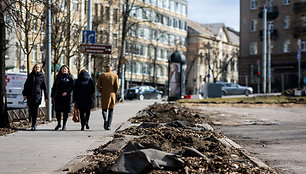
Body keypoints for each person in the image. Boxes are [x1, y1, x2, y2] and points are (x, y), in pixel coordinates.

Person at [22, 64, 47, 131]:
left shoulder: (42, 76)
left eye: (38, 67)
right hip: (30, 95)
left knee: (35, 109)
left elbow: (45, 88)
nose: (37, 68)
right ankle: (33, 122)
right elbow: (26, 85)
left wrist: (46, 97)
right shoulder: (30, 76)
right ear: (34, 68)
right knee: (31, 110)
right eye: (36, 67)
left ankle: (34, 124)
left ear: (40, 68)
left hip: (37, 96)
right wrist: (24, 94)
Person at [51, 65, 74, 130]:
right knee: (57, 110)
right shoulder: (58, 77)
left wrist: (67, 92)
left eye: (65, 69)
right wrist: (52, 95)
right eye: (63, 69)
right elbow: (54, 86)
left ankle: (64, 125)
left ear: (67, 70)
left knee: (65, 111)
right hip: (58, 96)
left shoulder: (70, 77)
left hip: (66, 97)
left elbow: (72, 86)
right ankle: (59, 123)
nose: (64, 70)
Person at [97, 64, 119, 130]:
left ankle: (105, 119)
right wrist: (115, 92)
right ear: (111, 68)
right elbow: (117, 86)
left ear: (106, 68)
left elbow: (98, 86)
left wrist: (101, 91)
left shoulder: (102, 75)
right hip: (112, 94)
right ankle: (108, 125)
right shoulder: (115, 75)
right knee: (111, 110)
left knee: (104, 109)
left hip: (104, 94)